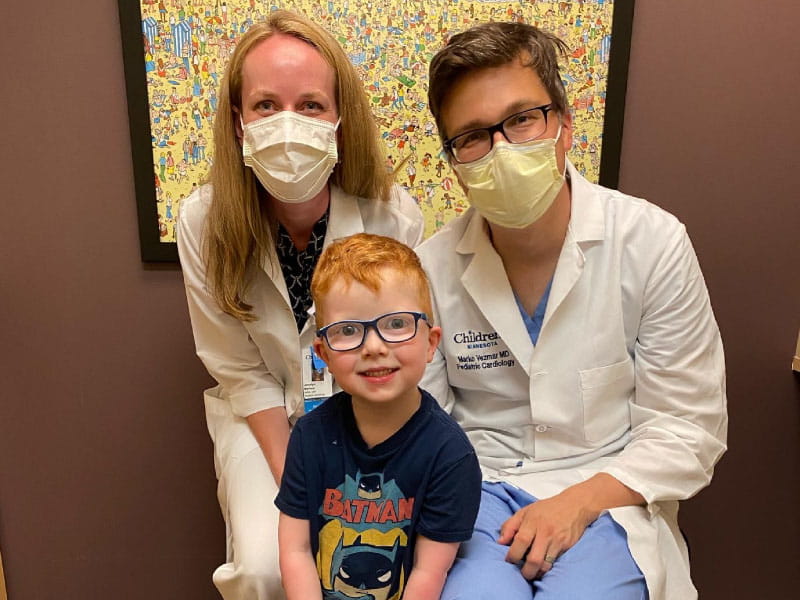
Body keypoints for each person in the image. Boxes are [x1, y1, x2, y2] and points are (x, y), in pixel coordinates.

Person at [417, 22, 727, 600]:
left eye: (521, 119)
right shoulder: (429, 269)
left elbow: (686, 427)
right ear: (454, 161)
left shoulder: (650, 242)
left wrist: (577, 503)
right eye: (472, 136)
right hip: (477, 495)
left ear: (563, 123)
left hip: (607, 493)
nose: (501, 149)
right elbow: (421, 423)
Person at [176, 12, 424, 600]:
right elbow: (237, 365)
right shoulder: (203, 221)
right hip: (261, 415)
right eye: (265, 105)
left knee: (381, 557)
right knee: (265, 570)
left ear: (339, 118)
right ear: (238, 122)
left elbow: (398, 352)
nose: (287, 123)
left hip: (369, 413)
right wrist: (300, 477)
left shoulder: (393, 215)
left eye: (311, 104)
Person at [275, 233, 481, 600]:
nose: (374, 347)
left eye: (397, 324)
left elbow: (429, 571)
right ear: (322, 353)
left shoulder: (450, 455)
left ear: (431, 342)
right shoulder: (309, 437)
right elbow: (295, 551)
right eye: (348, 331)